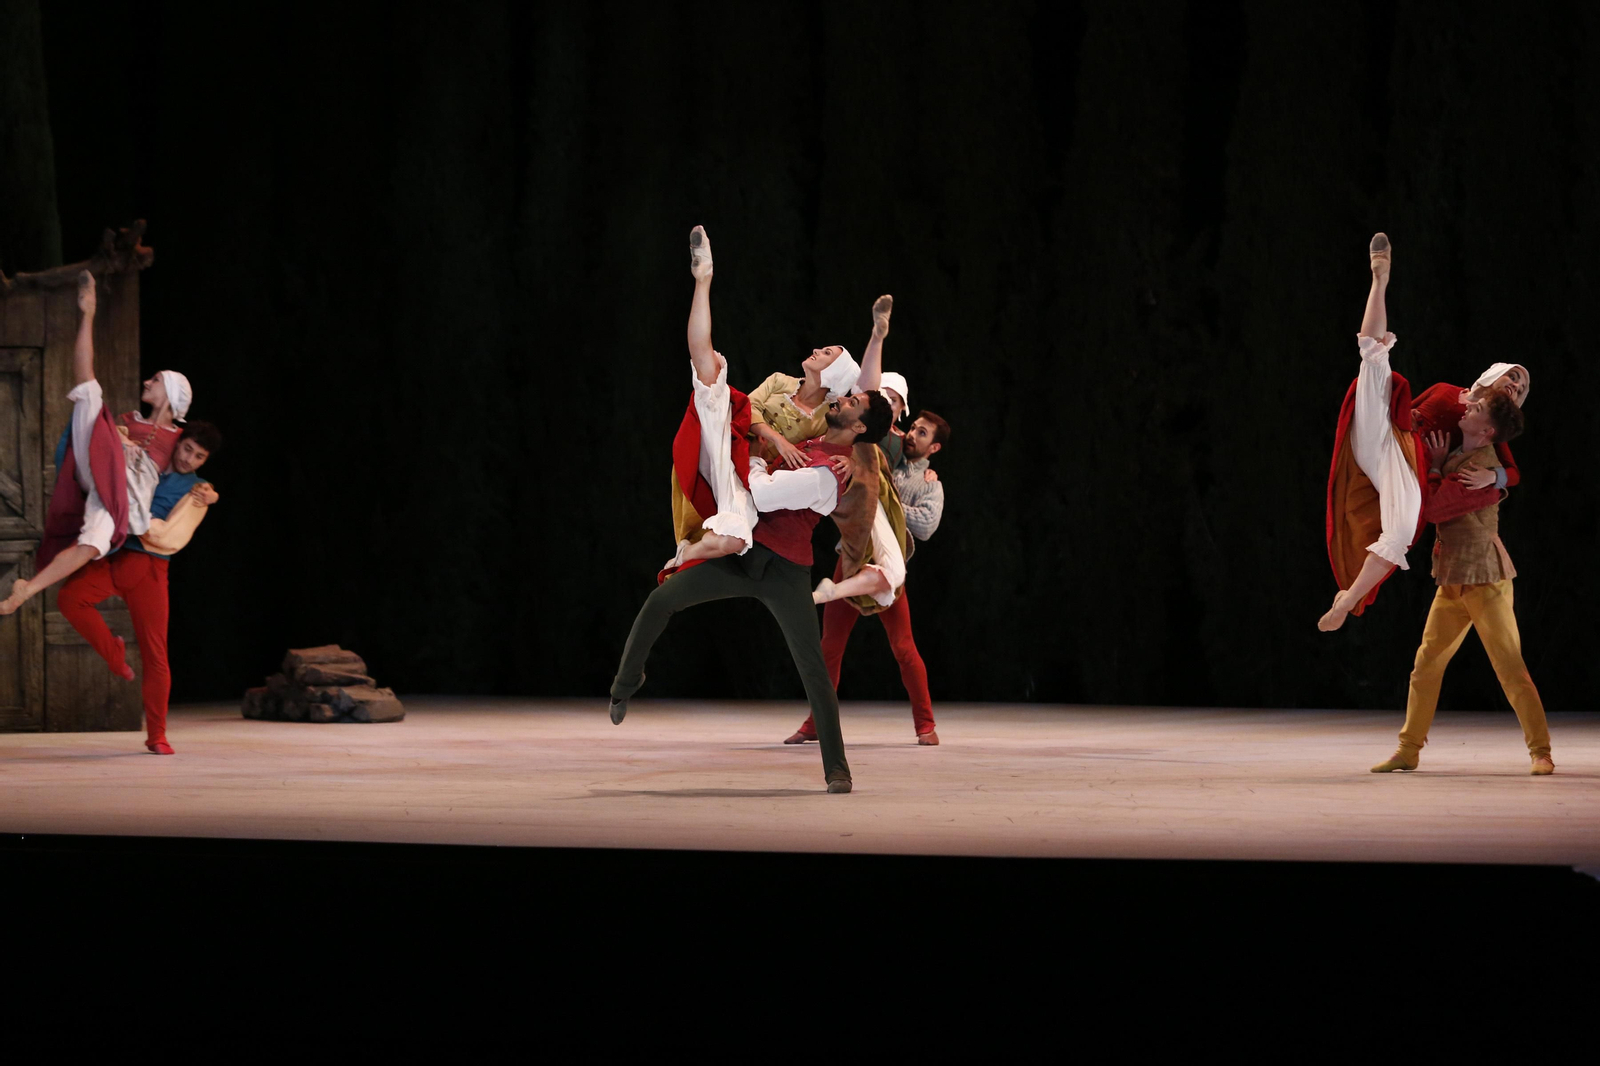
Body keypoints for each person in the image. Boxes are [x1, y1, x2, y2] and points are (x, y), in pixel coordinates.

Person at [608, 226, 895, 793]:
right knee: (662, 599)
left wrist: (764, 464)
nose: (843, 398)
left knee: (812, 669)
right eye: (845, 395)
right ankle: (625, 682)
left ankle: (837, 768)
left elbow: (772, 487)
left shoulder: (829, 471)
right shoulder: (800, 407)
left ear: (855, 424)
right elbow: (808, 403)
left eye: (850, 402)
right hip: (745, 539)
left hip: (781, 565)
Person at [1320, 234, 1530, 631]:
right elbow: (1413, 406)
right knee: (1374, 358)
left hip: (1406, 469)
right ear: (1494, 375)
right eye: (1512, 379)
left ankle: (1347, 601)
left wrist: (1495, 476)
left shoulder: (1491, 433)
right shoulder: (1451, 393)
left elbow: (1512, 473)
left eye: (1520, 389)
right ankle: (1379, 280)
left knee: (1400, 531)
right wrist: (1396, 413)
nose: (1514, 387)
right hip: (1387, 436)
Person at [1369, 393, 1552, 775]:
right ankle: (1408, 749)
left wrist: (1436, 469)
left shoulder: (1480, 468)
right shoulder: (1460, 458)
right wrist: (1437, 462)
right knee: (1426, 666)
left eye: (1477, 410)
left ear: (1487, 431)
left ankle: (1541, 751)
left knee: (1509, 668)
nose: (1466, 410)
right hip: (1454, 578)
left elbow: (1434, 508)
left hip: (1485, 579)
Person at [1, 270, 195, 616]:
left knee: (93, 542)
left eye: (157, 379)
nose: (148, 381)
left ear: (172, 393)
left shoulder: (179, 437)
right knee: (90, 394)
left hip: (123, 496)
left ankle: (25, 590)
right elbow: (107, 434)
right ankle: (87, 312)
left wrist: (208, 493)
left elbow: (192, 468)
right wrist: (121, 438)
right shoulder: (126, 421)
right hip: (101, 469)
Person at [55, 422, 222, 754]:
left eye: (199, 456)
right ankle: (113, 654)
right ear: (178, 444)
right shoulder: (151, 463)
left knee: (156, 654)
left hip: (150, 568)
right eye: (187, 449)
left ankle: (157, 734)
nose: (189, 459)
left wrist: (212, 494)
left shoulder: (198, 487)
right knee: (69, 598)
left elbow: (205, 498)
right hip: (117, 556)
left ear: (204, 462)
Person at [788, 408, 950, 746]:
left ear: (934, 448)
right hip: (850, 556)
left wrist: (879, 494)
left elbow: (925, 525)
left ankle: (925, 724)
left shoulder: (927, 484)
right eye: (914, 428)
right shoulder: (881, 451)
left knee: (904, 647)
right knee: (829, 646)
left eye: (922, 434)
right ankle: (816, 723)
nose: (912, 435)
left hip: (887, 569)